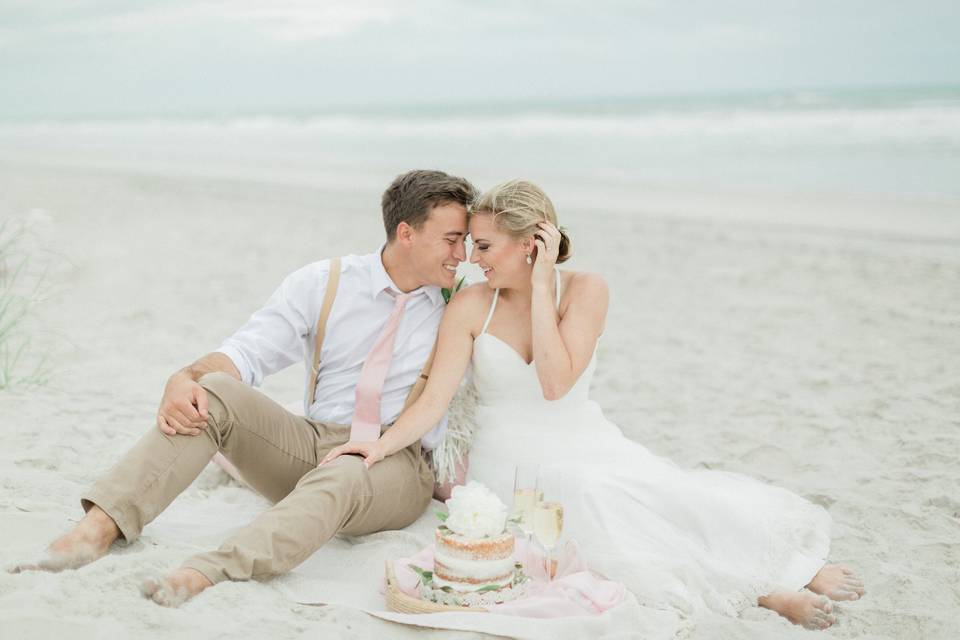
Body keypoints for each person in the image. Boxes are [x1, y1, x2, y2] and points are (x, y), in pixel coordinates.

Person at [322, 179, 866, 630]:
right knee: (592, 505)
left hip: (585, 439)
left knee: (661, 496)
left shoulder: (586, 289)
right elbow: (435, 398)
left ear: (530, 246)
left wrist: (541, 287)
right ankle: (768, 594)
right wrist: (379, 444)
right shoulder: (470, 305)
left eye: (484, 247)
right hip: (505, 462)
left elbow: (556, 382)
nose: (470, 257)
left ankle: (779, 574)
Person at [9, 169, 478, 607]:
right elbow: (247, 353)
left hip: (394, 464)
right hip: (313, 440)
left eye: (465, 242)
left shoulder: (460, 300)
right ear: (406, 233)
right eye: (452, 240)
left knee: (350, 470)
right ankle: (97, 528)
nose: (462, 255)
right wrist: (185, 377)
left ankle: (211, 570)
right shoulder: (325, 282)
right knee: (211, 392)